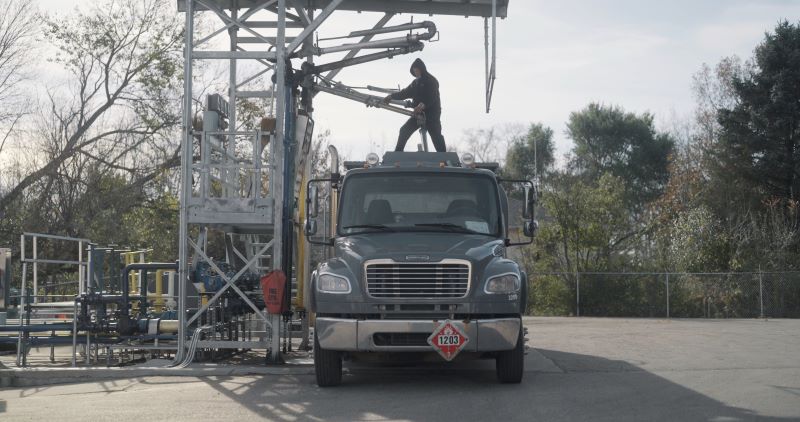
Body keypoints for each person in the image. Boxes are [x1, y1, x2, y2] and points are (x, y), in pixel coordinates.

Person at [383, 58, 446, 152]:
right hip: (418, 115)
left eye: (416, 69)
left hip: (431, 114)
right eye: (414, 70)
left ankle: (444, 158)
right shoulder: (415, 83)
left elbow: (432, 96)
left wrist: (421, 106)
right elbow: (405, 93)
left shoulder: (431, 81)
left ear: (421, 69)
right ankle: (398, 154)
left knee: (436, 135)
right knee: (404, 131)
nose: (415, 71)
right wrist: (391, 96)